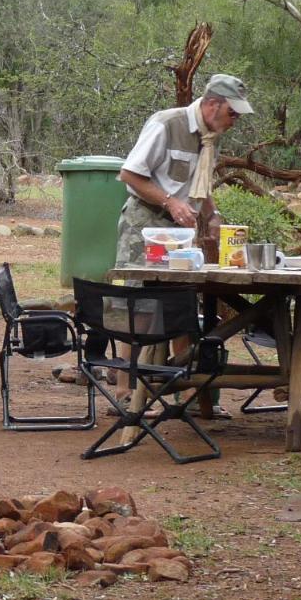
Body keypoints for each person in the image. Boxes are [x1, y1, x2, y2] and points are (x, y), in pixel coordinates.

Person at [111, 73, 254, 413]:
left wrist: (213, 216)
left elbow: (197, 186)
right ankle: (123, 391)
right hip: (145, 222)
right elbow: (130, 174)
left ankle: (185, 392)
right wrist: (170, 203)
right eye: (232, 113)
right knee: (138, 305)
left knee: (182, 303)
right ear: (212, 104)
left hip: (180, 230)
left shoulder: (209, 137)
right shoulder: (167, 124)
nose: (234, 121)